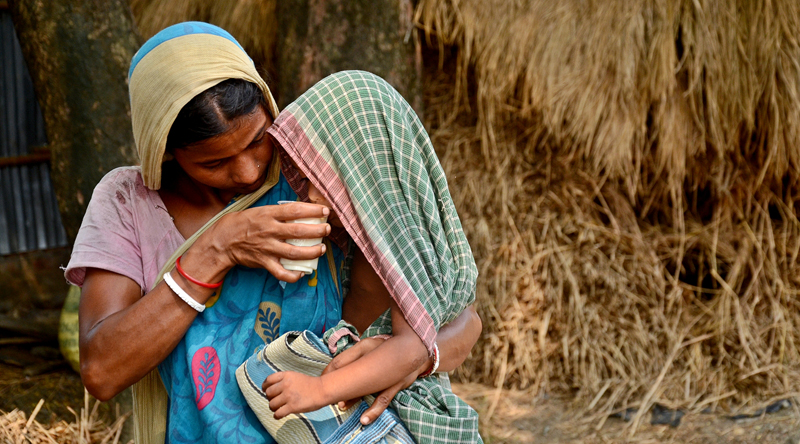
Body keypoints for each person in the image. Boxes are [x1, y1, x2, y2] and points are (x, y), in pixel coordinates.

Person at [63, 22, 480, 444]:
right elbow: (102, 371)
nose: (248, 172)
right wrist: (216, 249)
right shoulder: (128, 202)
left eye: (257, 140)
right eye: (213, 163)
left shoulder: (310, 172)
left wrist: (416, 357)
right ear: (164, 150)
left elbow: (460, 320)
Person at [248, 70, 483, 443]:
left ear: (361, 174)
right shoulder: (355, 243)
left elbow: (412, 346)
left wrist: (318, 391)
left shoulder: (400, 246)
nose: (305, 193)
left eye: (319, 177)